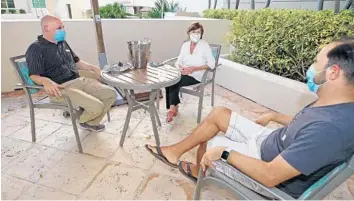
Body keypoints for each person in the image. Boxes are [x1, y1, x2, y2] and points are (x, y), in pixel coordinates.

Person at [145, 39, 354, 198]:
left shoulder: (330, 129)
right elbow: (305, 126)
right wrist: (274, 115)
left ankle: (200, 170)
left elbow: (270, 176)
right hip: (272, 143)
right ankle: (174, 152)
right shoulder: (335, 104)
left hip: (267, 168)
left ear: (333, 73)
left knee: (210, 144)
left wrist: (225, 154)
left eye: (316, 63)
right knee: (219, 114)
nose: (311, 68)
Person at [26, 15, 117, 132]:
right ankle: (83, 119)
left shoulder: (62, 42)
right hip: (60, 89)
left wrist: (93, 68)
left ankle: (89, 122)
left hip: (78, 81)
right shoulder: (35, 48)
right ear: (46, 28)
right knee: (97, 106)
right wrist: (45, 80)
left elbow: (77, 62)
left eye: (63, 27)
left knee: (111, 94)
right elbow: (33, 75)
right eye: (59, 27)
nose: (63, 30)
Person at [165, 22, 216, 122]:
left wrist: (193, 69)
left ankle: (172, 108)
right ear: (189, 33)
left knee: (175, 81)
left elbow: (212, 64)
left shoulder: (204, 45)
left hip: (197, 74)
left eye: (199, 32)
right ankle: (174, 107)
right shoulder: (185, 45)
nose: (196, 34)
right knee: (170, 79)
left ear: (201, 34)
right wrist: (180, 67)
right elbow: (178, 61)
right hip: (183, 72)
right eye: (194, 32)